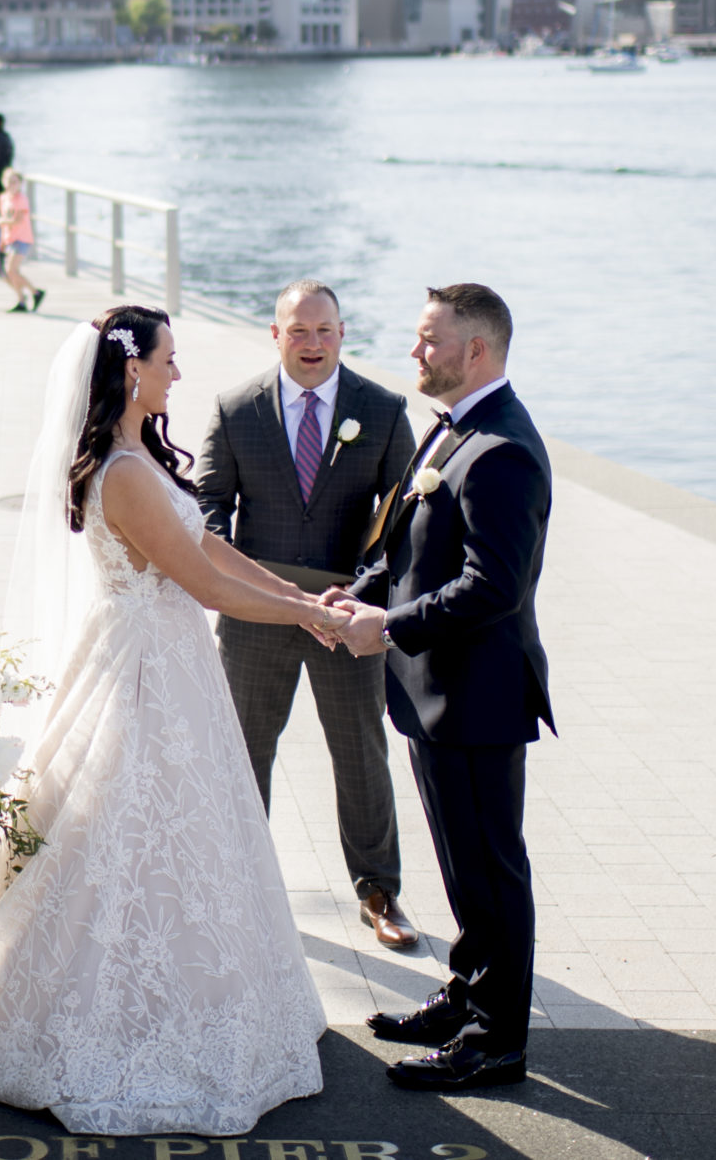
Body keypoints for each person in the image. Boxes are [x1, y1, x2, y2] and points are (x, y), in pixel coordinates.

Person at [0, 306, 347, 1134]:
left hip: (167, 660)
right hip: (144, 672)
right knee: (124, 832)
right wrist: (308, 621)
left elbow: (211, 548)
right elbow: (205, 587)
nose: (179, 374)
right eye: (170, 360)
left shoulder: (143, 455)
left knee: (179, 837)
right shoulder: (125, 473)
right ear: (132, 368)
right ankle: (108, 1012)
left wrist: (297, 598)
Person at [328, 283, 553, 1093]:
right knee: (462, 865)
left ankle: (497, 1039)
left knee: (492, 869)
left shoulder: (503, 449)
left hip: (478, 696)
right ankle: (469, 992)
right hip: (433, 692)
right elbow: (409, 545)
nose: (416, 352)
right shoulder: (452, 429)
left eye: (430, 340)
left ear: (477, 350)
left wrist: (385, 627)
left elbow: (494, 586)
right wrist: (360, 595)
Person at [193, 281, 421, 951]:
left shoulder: (380, 410)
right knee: (242, 755)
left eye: (325, 330)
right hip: (256, 616)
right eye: (299, 331)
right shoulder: (236, 410)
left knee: (360, 754)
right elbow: (208, 511)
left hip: (346, 618)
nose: (313, 344)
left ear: (343, 333)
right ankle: (242, 887)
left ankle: (379, 889)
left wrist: (363, 595)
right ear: (275, 334)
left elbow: (405, 517)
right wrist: (251, 588)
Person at [0, 169, 42, 312]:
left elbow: (18, 220)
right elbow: (6, 221)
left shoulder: (21, 199)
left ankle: (34, 292)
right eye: (9, 181)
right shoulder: (3, 198)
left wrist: (2, 221)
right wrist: (3, 239)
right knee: (9, 272)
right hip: (10, 238)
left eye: (15, 182)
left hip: (22, 238)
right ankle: (22, 299)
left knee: (11, 270)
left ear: (20, 184)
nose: (12, 185)